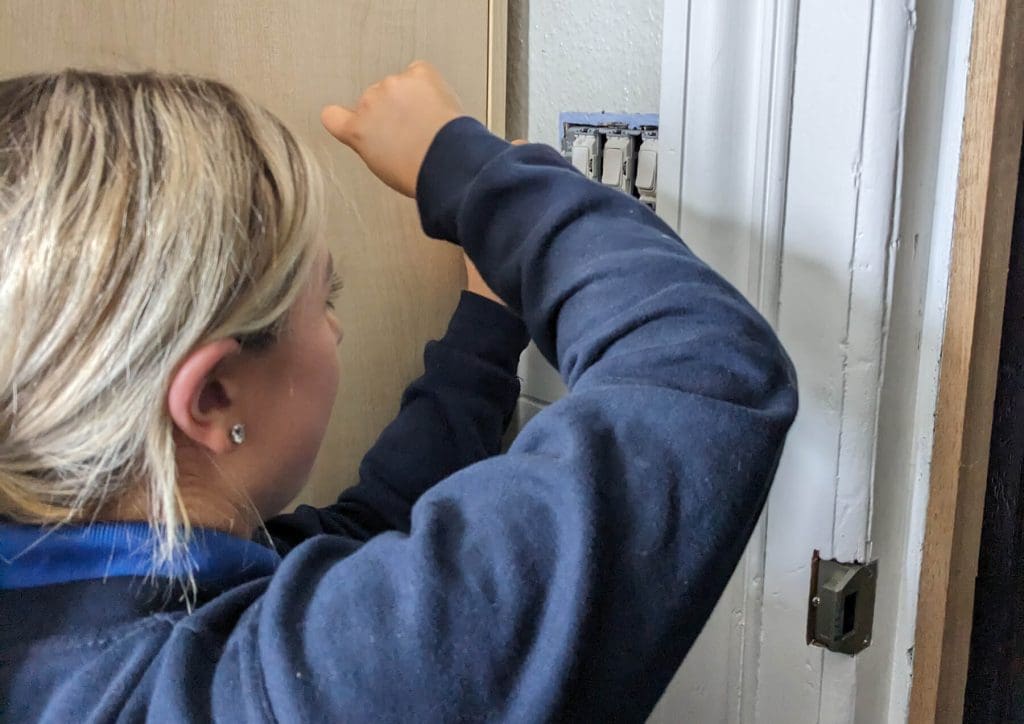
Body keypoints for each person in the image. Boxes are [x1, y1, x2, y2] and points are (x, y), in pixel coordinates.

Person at [0, 62, 797, 722]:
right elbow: (703, 365)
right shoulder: (263, 696)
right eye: (328, 297)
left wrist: (485, 329)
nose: (337, 329)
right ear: (211, 398)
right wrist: (470, 170)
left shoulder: (66, 601)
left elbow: (349, 547)